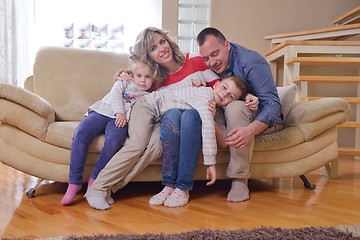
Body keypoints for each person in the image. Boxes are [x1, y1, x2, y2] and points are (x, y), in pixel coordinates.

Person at [84, 27, 221, 210]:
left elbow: (221, 86)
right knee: (137, 144)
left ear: (169, 41)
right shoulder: (154, 77)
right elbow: (136, 83)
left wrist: (241, 97)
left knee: (155, 148)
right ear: (148, 56)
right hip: (152, 111)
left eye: (162, 42)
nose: (161, 48)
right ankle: (97, 188)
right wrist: (125, 75)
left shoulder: (194, 60)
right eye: (153, 48)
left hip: (169, 117)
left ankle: (111, 187)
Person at [196, 27, 284, 202]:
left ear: (227, 45)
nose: (212, 62)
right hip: (224, 118)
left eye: (215, 54)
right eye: (206, 58)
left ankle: (239, 179)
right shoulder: (207, 66)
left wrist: (250, 130)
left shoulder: (251, 62)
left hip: (258, 118)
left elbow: (273, 106)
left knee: (234, 107)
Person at [149, 75, 256, 207]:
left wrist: (212, 118)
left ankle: (182, 187)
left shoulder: (218, 113)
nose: (224, 94)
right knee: (172, 113)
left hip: (192, 125)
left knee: (190, 115)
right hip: (172, 114)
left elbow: (224, 142)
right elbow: (171, 90)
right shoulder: (197, 91)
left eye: (230, 96)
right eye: (224, 88)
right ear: (216, 84)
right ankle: (169, 185)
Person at [60, 58, 155, 205]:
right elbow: (116, 93)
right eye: (139, 76)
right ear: (132, 74)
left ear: (153, 78)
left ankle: (95, 179)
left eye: (147, 77)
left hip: (119, 122)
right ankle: (74, 182)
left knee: (115, 140)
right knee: (81, 132)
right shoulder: (125, 81)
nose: (143, 80)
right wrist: (120, 112)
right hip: (103, 111)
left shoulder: (149, 95)